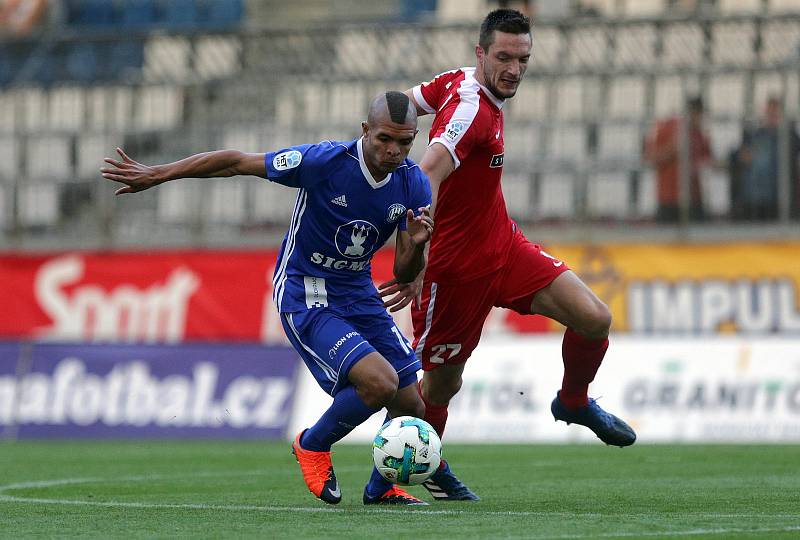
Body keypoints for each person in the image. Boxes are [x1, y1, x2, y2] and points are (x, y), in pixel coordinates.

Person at [101, 91, 436, 506]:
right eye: (386, 138)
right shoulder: (324, 162)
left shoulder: (413, 182)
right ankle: (312, 444)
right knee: (380, 383)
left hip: (358, 290)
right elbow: (236, 162)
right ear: (365, 130)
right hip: (306, 289)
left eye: (405, 142)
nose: (395, 150)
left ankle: (380, 490)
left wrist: (418, 247)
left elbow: (404, 272)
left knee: (410, 402)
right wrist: (160, 174)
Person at [378, 9, 636, 502]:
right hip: (453, 274)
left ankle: (574, 402)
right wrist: (413, 258)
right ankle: (398, 478)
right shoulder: (471, 112)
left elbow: (406, 102)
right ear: (481, 53)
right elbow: (427, 173)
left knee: (594, 318)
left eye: (523, 58)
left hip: (504, 248)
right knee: (439, 389)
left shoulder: (456, 82)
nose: (514, 69)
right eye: (503, 57)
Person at [729, 96, 800, 221]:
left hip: (777, 197)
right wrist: (741, 156)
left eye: (775, 113)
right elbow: (736, 155)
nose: (771, 116)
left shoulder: (789, 136)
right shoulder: (755, 135)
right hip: (753, 198)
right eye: (769, 112)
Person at [643, 95, 712, 222]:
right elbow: (650, 158)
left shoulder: (699, 134)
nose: (700, 119)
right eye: (698, 115)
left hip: (693, 198)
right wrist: (673, 148)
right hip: (669, 198)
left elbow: (707, 160)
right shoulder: (667, 128)